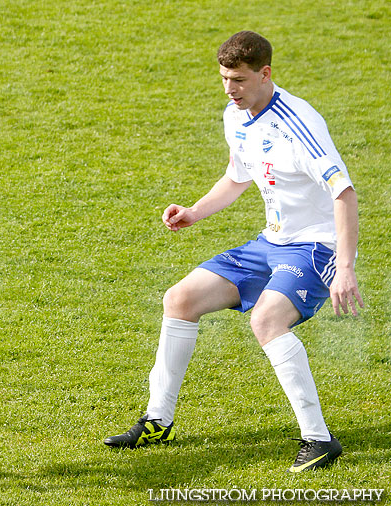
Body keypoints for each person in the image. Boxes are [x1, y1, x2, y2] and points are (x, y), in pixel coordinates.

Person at [103, 31, 363, 473]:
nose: (229, 89)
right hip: (271, 243)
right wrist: (194, 212)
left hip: (315, 248)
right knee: (179, 299)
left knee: (266, 319)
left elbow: (345, 193)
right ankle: (157, 421)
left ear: (265, 74)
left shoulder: (299, 124)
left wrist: (345, 268)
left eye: (239, 80)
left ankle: (319, 439)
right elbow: (238, 177)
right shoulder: (235, 115)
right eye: (224, 78)